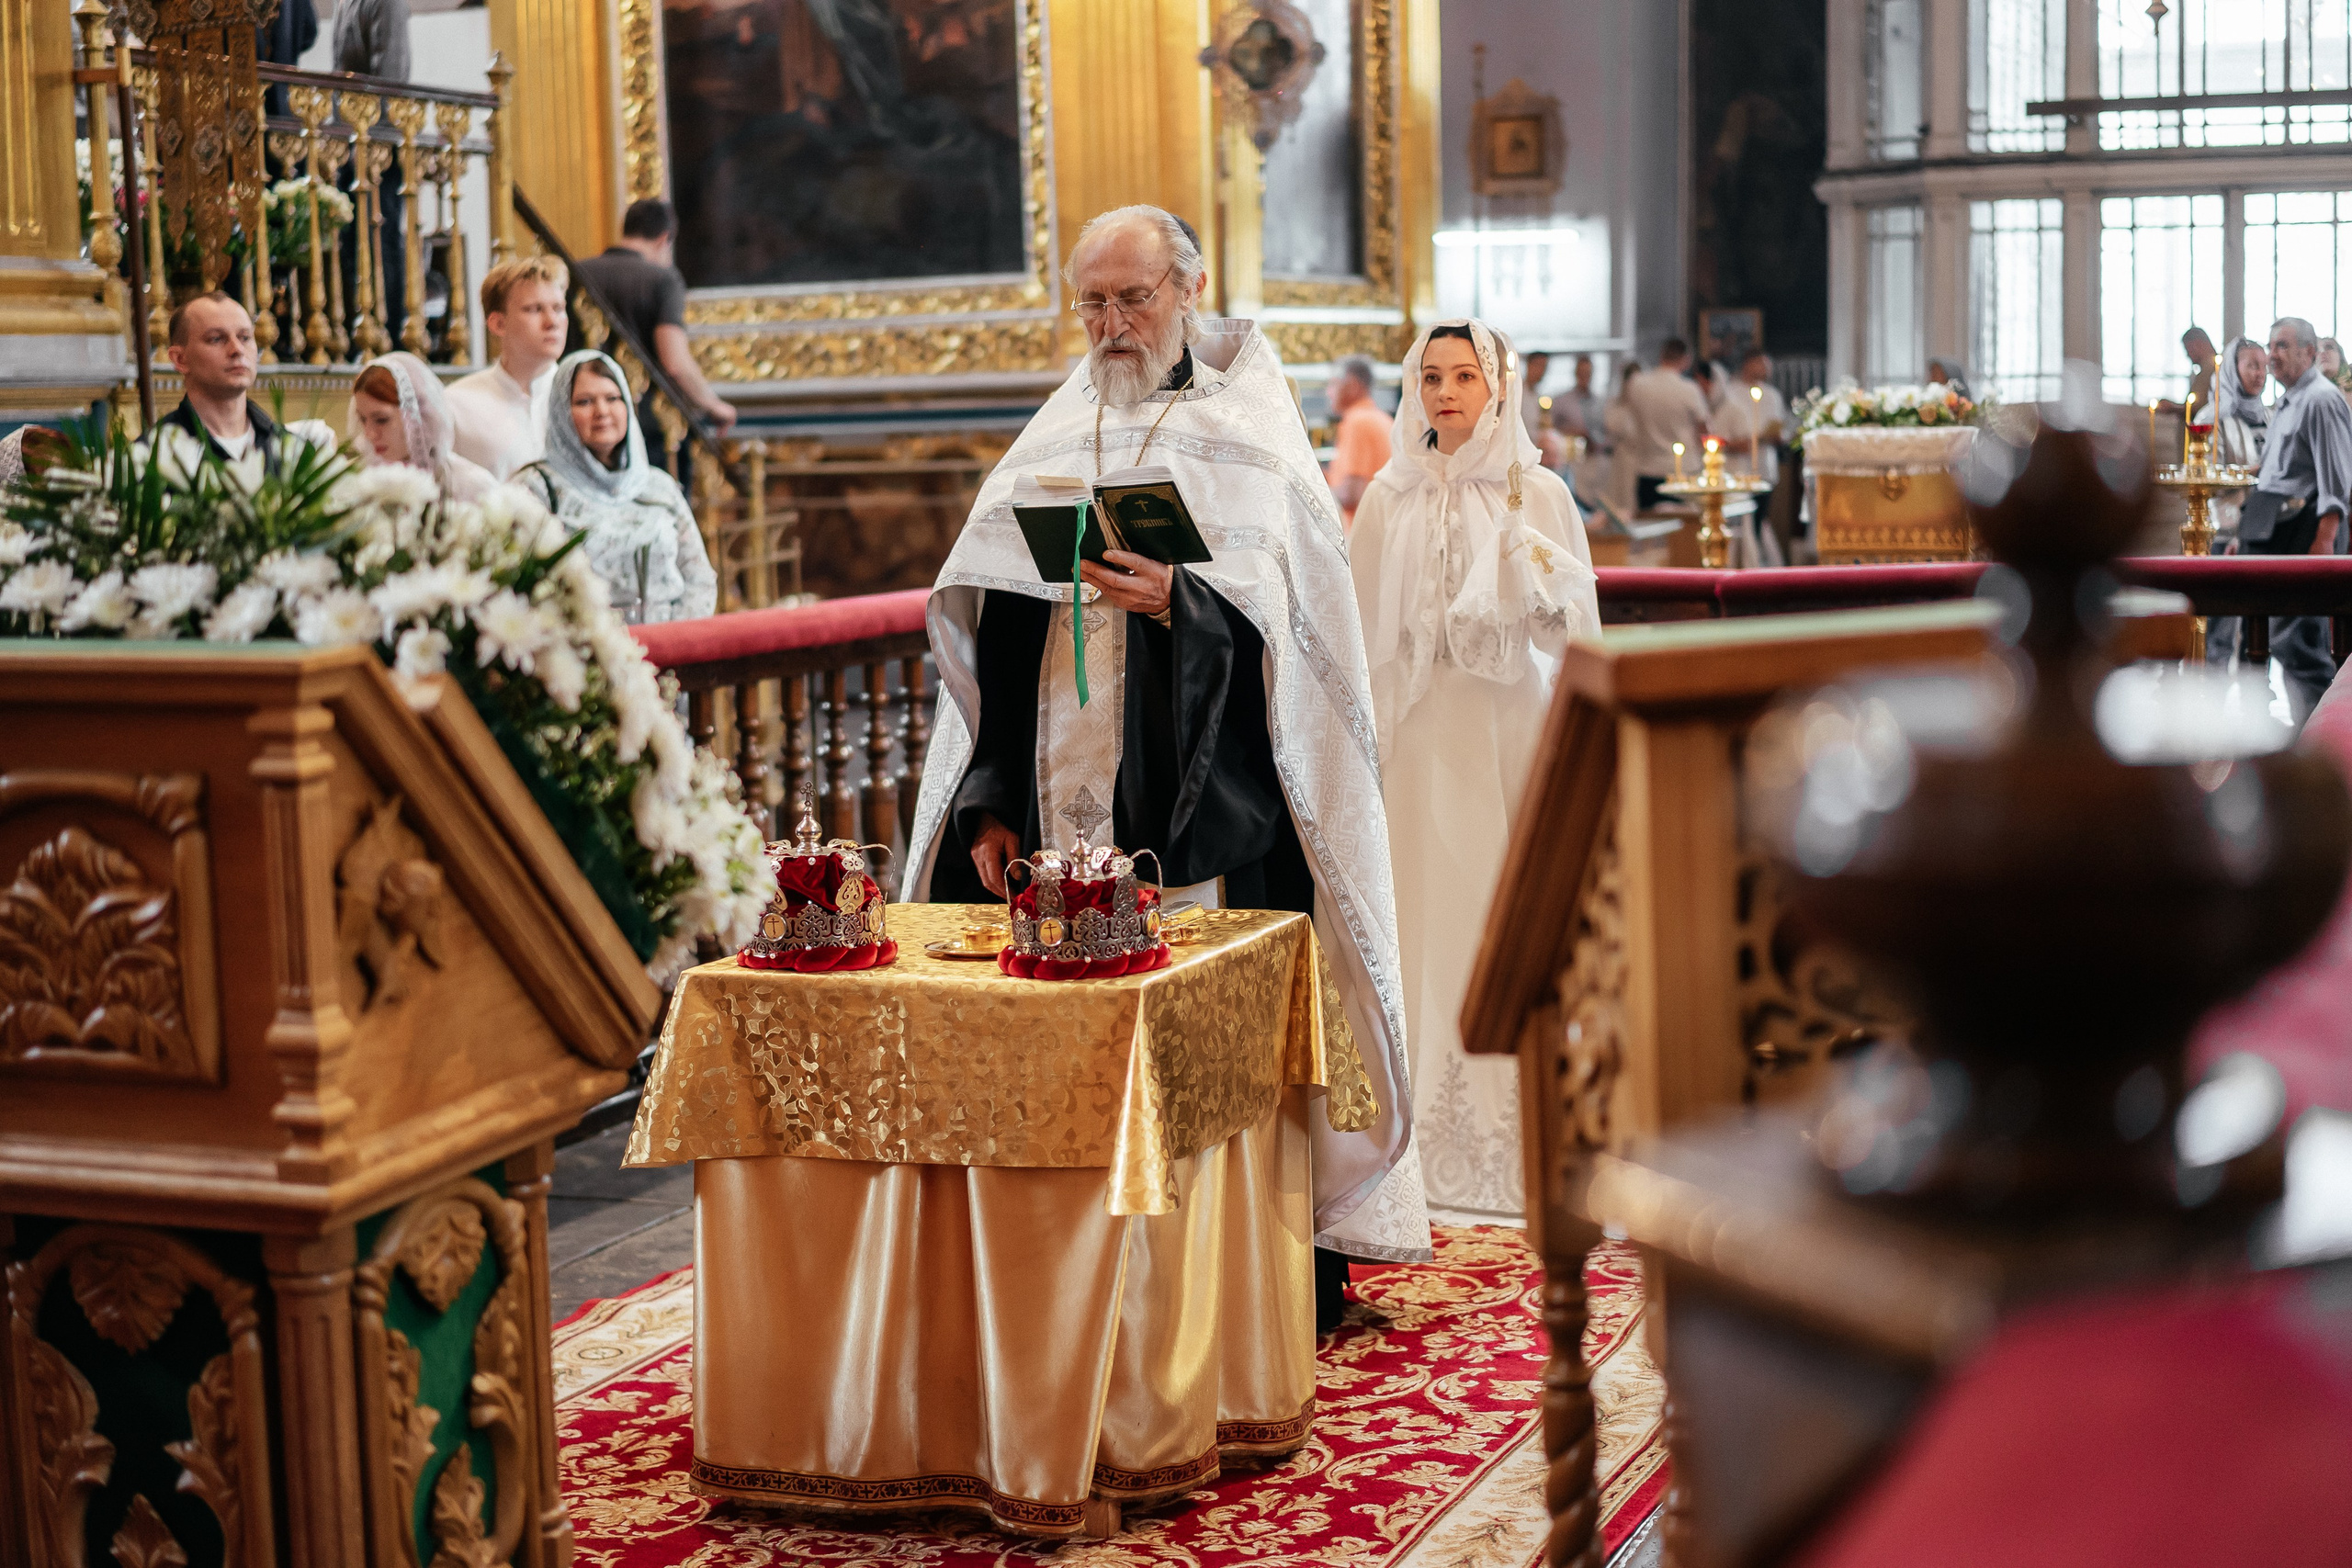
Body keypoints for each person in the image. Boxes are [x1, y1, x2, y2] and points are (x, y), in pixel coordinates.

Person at [904, 205, 1431, 1321]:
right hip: (1055, 808)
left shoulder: (1252, 432)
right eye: (1092, 303)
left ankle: (1225, 1288)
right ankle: (1077, 1284)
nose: (1110, 324)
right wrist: (988, 800)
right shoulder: (1056, 432)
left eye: (1132, 299)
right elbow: (1001, 631)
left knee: (1209, 1048)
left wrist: (1180, 606)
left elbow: (1295, 643)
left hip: (1204, 815)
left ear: (1188, 291)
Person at [1347, 319, 1599, 1219]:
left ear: (1497, 387)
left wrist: (1535, 592)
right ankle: (1414, 1138)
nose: (1446, 392)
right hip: (1417, 738)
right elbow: (1360, 636)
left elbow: (1576, 632)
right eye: (1431, 376)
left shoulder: (1541, 493)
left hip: (1504, 730)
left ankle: (1520, 1130)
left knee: (1503, 907)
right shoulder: (1388, 497)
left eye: (1464, 376)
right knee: (1424, 908)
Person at [514, 350, 718, 625]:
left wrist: (677, 640)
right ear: (561, 412)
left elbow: (699, 578)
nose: (602, 412)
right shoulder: (536, 489)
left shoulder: (658, 487)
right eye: (585, 401)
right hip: (585, 645)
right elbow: (521, 588)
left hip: (671, 642)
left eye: (613, 398)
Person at [573, 197, 741, 476]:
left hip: (584, 417)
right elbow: (675, 362)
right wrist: (713, 404)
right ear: (665, 239)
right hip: (648, 424)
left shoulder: (578, 271)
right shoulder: (663, 279)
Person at [2240, 317, 2352, 720]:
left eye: (2282, 346)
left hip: (2306, 530)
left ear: (2309, 353)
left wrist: (2325, 539)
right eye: (2271, 345)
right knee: (2262, 637)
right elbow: (2275, 476)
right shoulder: (2289, 400)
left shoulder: (2321, 398)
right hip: (2272, 527)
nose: (2272, 355)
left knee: (2298, 643)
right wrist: (2243, 537)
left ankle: (2319, 742)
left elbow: (2336, 477)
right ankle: (2277, 739)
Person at [149, 292, 334, 475]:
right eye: (216, 338)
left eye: (245, 337)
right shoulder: (154, 456)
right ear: (180, 359)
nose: (237, 349)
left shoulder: (294, 452)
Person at [448, 256, 570, 481]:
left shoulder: (587, 397)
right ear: (498, 324)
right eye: (534, 309)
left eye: (558, 308)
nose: (552, 322)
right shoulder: (457, 404)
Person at [349, 352, 496, 502]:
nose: (369, 434)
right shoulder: (362, 485)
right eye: (362, 419)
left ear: (416, 415)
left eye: (381, 420)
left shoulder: (470, 486)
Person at [2207, 335, 2272, 668]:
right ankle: (2212, 690)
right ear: (2233, 369)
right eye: (2251, 366)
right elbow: (2206, 477)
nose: (2260, 374)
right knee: (2221, 622)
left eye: (2263, 366)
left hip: (2263, 530)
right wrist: (2256, 472)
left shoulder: (2271, 415)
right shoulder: (2213, 416)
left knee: (2258, 626)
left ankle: (2256, 689)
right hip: (2226, 528)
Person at [1623, 337, 1713, 510]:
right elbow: (1706, 431)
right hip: (1683, 471)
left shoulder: (1637, 384)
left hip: (1647, 469)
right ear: (1686, 360)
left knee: (1650, 524)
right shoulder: (1689, 389)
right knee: (1683, 524)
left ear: (1661, 355)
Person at [1323, 353, 1391, 528]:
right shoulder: (1383, 419)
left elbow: (1351, 494)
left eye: (1333, 384)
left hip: (1361, 534)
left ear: (1352, 386)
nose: (1328, 392)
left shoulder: (1357, 422)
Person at [1554, 354, 1610, 508]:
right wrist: (1575, 432)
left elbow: (1605, 430)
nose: (1585, 377)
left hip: (1597, 459)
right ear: (1576, 373)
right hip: (1574, 460)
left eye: (1588, 373)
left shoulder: (1599, 401)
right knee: (1576, 500)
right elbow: (1552, 428)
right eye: (1582, 373)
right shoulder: (1562, 401)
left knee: (1598, 502)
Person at [1519, 349, 1551, 446]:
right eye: (1539, 365)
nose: (1541, 371)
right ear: (1529, 365)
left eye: (1544, 367)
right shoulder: (1517, 391)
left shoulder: (1539, 396)